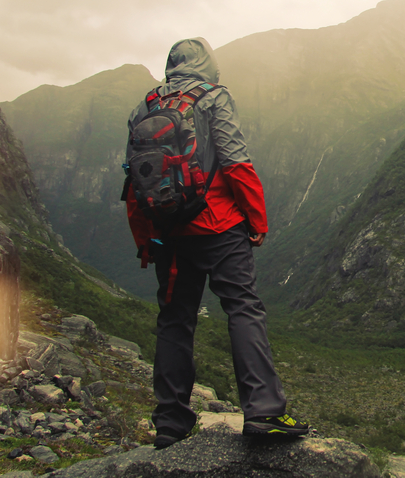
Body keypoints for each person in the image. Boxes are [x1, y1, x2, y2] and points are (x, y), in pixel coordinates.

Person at [124, 37, 308, 448]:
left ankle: (170, 423)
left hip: (169, 231)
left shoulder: (146, 106)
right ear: (208, 65)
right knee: (242, 308)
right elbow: (236, 161)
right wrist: (257, 221)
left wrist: (145, 239)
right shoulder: (213, 98)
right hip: (220, 227)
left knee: (174, 320)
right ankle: (264, 412)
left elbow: (135, 180)